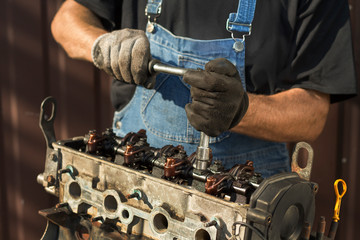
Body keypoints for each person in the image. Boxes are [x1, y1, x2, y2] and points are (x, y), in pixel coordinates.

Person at [51, 0, 357, 177]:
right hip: (132, 177)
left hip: (239, 197)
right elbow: (66, 21)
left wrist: (242, 110)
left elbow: (313, 114)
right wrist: (101, 44)